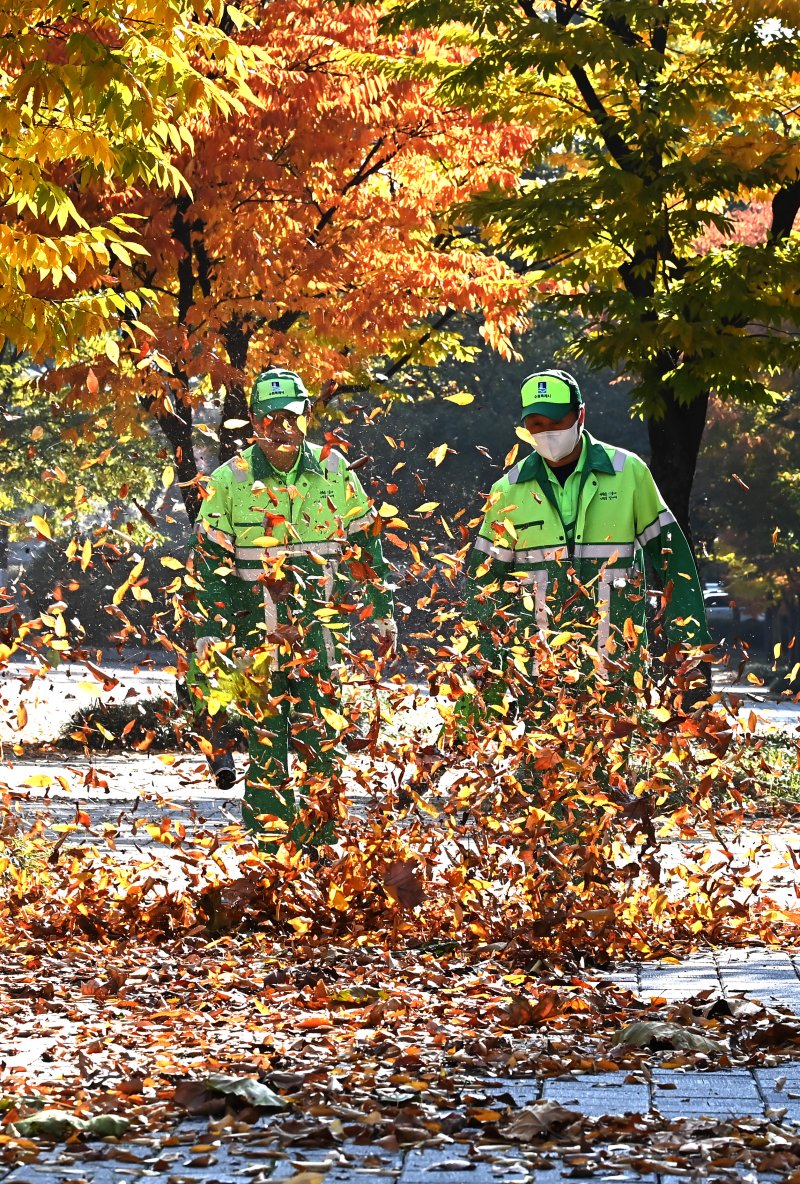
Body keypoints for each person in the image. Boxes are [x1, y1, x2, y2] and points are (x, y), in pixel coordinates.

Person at [187, 367, 395, 844]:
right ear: (254, 421)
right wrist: (211, 632)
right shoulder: (228, 480)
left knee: (324, 745)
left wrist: (381, 605)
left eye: (290, 416)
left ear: (306, 417)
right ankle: (272, 860)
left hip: (321, 639)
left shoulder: (334, 470)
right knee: (266, 753)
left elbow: (366, 545)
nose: (279, 427)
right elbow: (209, 564)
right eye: (268, 418)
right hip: (252, 643)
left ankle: (320, 852)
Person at [464, 368, 711, 734]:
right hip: (540, 675)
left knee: (612, 783)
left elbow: (674, 560)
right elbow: (482, 584)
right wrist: (483, 667)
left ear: (580, 415)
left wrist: (687, 645)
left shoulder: (627, 474)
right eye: (535, 423)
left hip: (618, 672)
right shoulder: (508, 490)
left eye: (556, 420)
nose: (546, 432)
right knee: (541, 779)